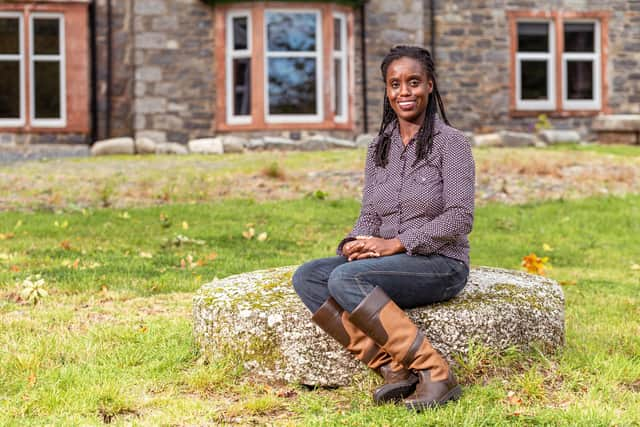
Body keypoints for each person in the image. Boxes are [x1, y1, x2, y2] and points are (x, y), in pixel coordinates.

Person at [292, 45, 475, 411]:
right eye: (395, 84)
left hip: (440, 263)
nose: (404, 92)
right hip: (393, 263)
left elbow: (459, 218)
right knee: (309, 276)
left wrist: (396, 243)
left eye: (413, 82)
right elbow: (369, 214)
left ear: (430, 86)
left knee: (345, 280)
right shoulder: (380, 146)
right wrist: (354, 244)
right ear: (387, 91)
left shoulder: (452, 144)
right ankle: (393, 369)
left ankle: (435, 373)